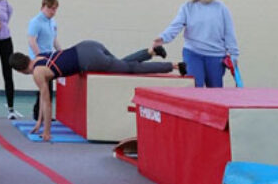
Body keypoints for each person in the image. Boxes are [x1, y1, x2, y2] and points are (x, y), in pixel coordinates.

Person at [11, 41, 178, 142]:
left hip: (88, 59)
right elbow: (43, 98)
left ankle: (173, 66)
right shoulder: (39, 57)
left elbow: (47, 103)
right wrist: (39, 122)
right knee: (121, 64)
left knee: (128, 69)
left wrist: (47, 132)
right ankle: (150, 52)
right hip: (88, 46)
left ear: (20, 71)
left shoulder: (38, 73)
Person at [152, 0, 239, 88]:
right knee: (195, 86)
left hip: (215, 55)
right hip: (193, 52)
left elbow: (229, 33)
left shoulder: (221, 8)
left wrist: (234, 55)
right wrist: (163, 38)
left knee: (215, 89)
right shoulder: (187, 8)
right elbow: (176, 26)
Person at [26, 0, 60, 121]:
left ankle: (42, 114)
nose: (52, 11)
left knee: (46, 87)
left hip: (50, 58)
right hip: (39, 58)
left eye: (55, 9)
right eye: (50, 8)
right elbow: (32, 41)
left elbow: (54, 40)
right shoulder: (35, 22)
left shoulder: (53, 22)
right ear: (43, 7)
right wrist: (40, 57)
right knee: (45, 87)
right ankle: (40, 114)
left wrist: (61, 52)